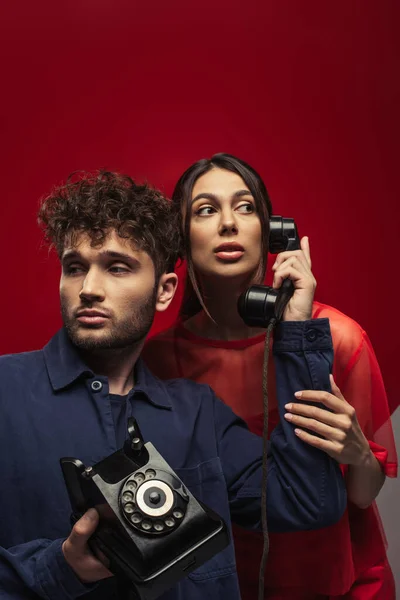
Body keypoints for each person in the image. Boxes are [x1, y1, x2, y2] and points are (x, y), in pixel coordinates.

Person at [0, 170, 346, 600]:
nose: (88, 289)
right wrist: (60, 568)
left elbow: (308, 500)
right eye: (74, 268)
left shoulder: (197, 411)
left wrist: (294, 329)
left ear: (164, 291)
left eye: (117, 267)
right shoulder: (5, 391)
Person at [143, 153, 398, 600]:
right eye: (206, 209)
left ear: (273, 231)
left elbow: (362, 495)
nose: (228, 223)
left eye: (245, 208)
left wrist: (358, 453)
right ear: (180, 240)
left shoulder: (340, 338)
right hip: (226, 585)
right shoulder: (159, 361)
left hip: (340, 584)